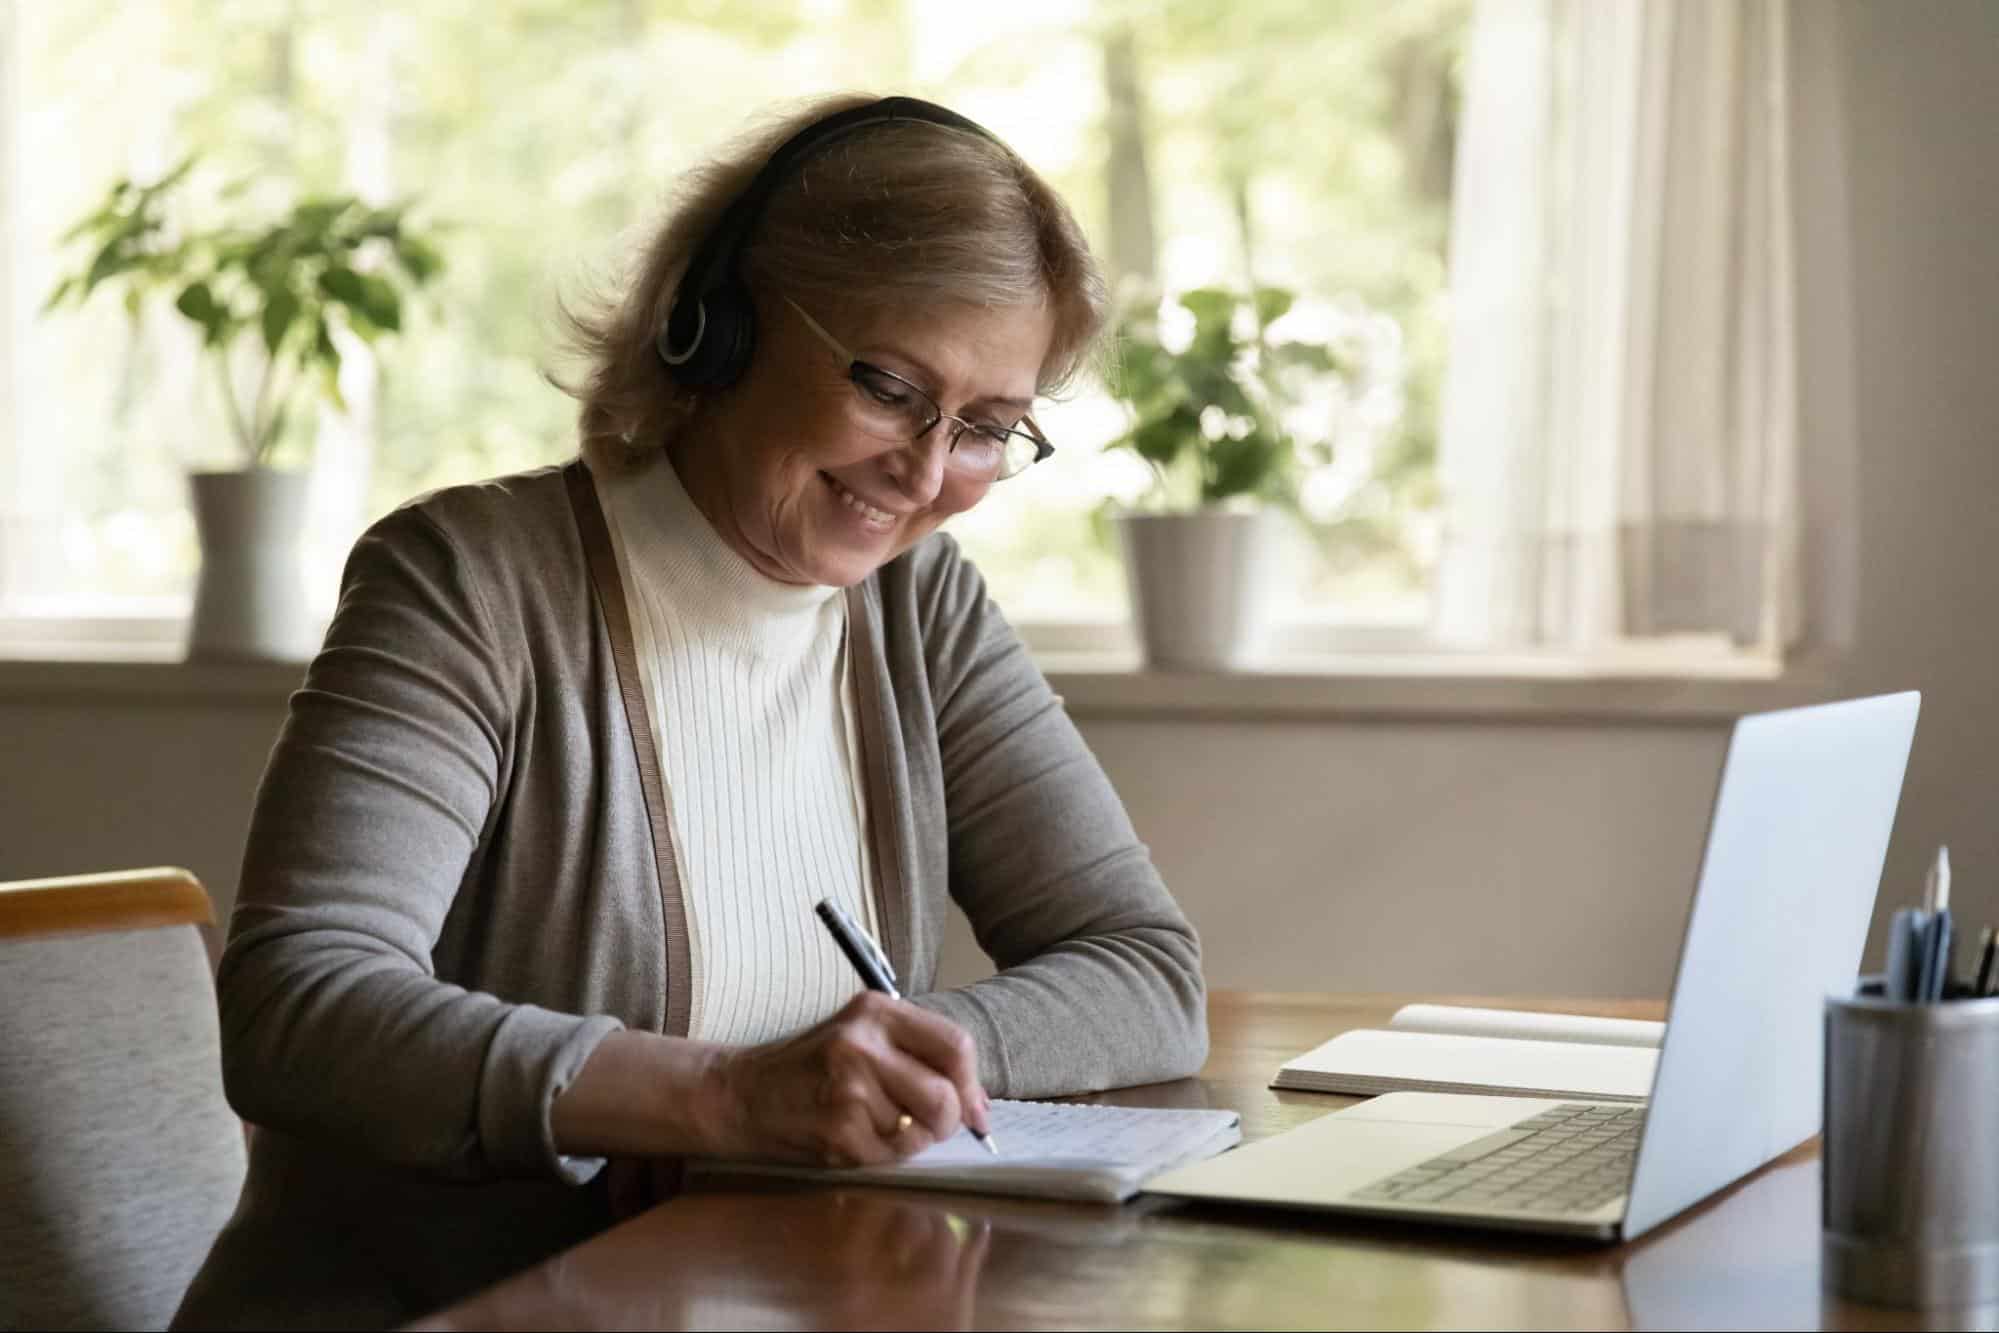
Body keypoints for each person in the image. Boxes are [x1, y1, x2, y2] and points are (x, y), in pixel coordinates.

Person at [174, 93, 1206, 1328]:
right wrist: (716, 1097)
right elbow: (298, 1005)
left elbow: (1146, 970)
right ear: (713, 329)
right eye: (889, 387)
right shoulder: (470, 580)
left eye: (986, 428)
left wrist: (872, 1061)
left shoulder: (917, 608)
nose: (927, 475)